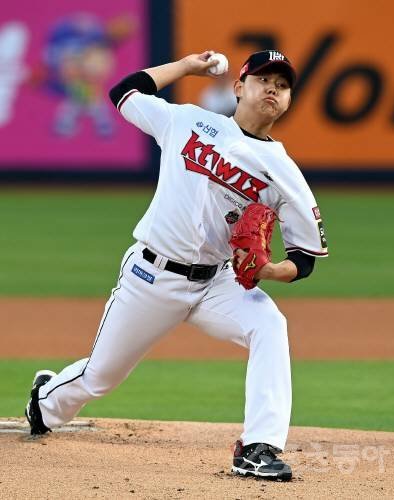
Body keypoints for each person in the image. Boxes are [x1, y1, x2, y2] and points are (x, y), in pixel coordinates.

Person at [25, 49, 328, 481]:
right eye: (263, 80)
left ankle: (258, 448)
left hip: (218, 283)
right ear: (238, 87)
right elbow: (123, 92)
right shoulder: (188, 121)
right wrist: (186, 67)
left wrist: (271, 271)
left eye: (282, 86)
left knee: (269, 326)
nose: (272, 90)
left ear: (288, 100)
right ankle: (44, 402)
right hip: (151, 275)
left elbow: (304, 258)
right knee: (100, 377)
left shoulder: (285, 173)